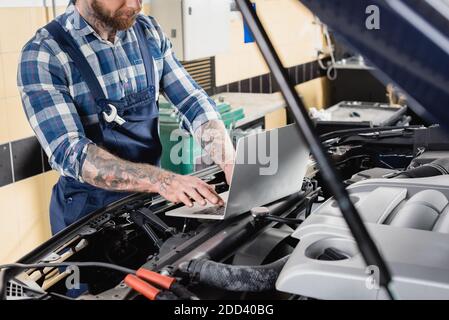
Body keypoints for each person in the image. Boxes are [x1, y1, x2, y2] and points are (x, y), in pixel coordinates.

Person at [18, 0, 235, 234]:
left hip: (149, 206)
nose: (135, 4)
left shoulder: (148, 31)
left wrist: (229, 159)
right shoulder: (45, 52)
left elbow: (192, 101)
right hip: (89, 220)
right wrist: (163, 181)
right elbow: (71, 152)